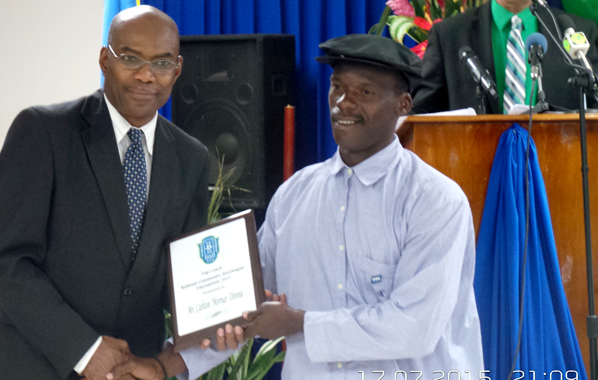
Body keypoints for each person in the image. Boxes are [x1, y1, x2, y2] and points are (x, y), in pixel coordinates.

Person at [173, 34, 485, 380]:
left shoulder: (435, 200)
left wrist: (300, 323)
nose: (344, 103)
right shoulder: (293, 196)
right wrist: (161, 365)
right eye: (337, 87)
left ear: (403, 105)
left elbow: (413, 326)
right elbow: (238, 300)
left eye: (364, 92)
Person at [0, 6, 212, 380]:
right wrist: (85, 351)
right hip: (37, 368)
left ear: (178, 69)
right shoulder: (43, 132)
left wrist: (222, 314)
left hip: (134, 371)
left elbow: (181, 279)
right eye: (131, 58)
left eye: (162, 63)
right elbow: (4, 260)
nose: (146, 75)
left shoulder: (192, 158)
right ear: (105, 59)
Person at [412, 0, 598, 114]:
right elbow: (422, 113)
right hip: (472, 167)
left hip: (557, 165)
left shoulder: (576, 33)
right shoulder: (450, 35)